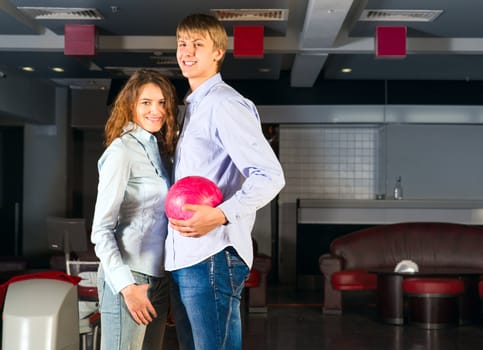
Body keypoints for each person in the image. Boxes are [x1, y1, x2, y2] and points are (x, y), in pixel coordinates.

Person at [165, 13, 285, 350]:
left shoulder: (224, 104)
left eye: (197, 44)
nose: (187, 52)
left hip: (213, 254)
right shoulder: (189, 108)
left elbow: (270, 176)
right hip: (186, 256)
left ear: (218, 52)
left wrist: (219, 215)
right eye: (182, 44)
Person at [91, 69, 179, 349]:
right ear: (130, 105)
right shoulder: (121, 151)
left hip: (159, 278)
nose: (156, 110)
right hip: (129, 277)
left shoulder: (161, 151)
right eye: (146, 102)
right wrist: (126, 287)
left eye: (162, 103)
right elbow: (101, 230)